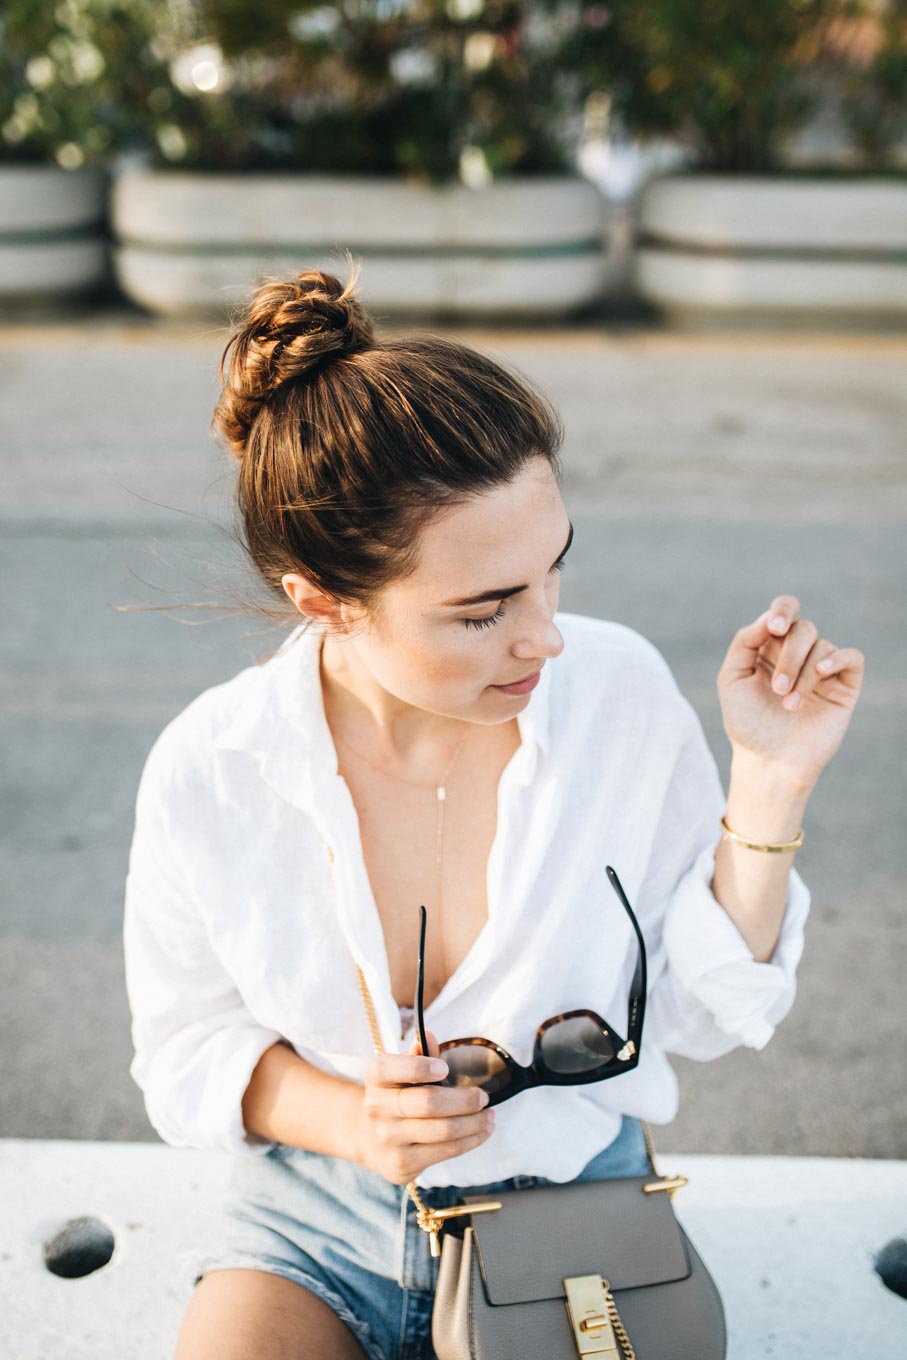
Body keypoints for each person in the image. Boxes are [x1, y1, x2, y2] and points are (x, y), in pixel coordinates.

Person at [122, 265, 864, 1360]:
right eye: (482, 611)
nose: (546, 637)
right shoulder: (212, 767)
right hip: (313, 1220)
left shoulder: (616, 693)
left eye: (551, 571)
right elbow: (184, 1046)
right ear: (324, 601)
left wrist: (770, 778)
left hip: (574, 1198)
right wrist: (354, 1120)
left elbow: (710, 1013)